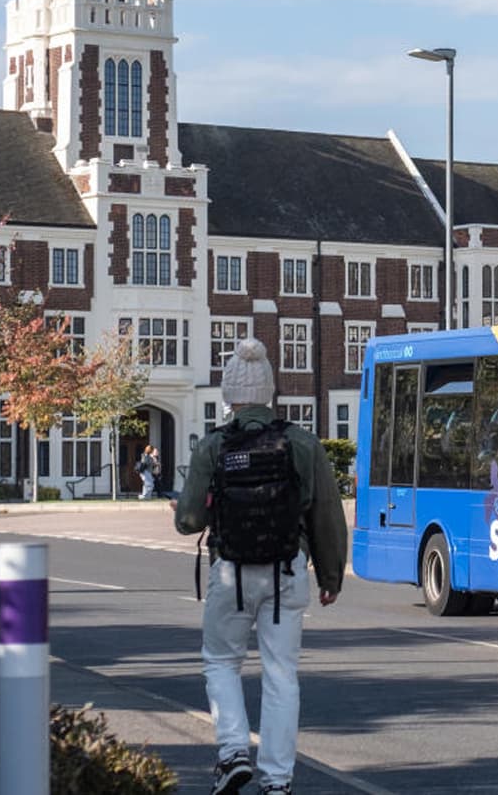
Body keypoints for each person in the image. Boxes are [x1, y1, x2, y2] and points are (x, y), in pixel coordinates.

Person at [175, 338, 348, 795]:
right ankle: (277, 780)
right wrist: (330, 577)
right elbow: (327, 517)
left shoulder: (214, 447)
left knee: (220, 662)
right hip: (286, 571)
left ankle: (232, 752)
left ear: (230, 397)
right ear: (270, 393)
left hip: (230, 572)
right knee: (281, 674)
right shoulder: (303, 444)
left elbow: (188, 520)